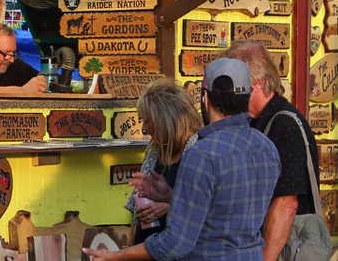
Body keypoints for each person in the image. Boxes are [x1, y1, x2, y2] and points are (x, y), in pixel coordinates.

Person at [87, 59, 278, 261]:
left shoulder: (202, 154)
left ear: (205, 98)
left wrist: (116, 256)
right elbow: (223, 211)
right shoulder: (267, 148)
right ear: (248, 96)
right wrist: (171, 196)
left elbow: (176, 242)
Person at [225, 41, 333, 261]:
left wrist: (265, 258)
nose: (229, 92)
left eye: (234, 83)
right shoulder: (255, 121)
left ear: (258, 84)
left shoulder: (285, 124)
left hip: (283, 248)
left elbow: (286, 204)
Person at [125, 80, 202, 245]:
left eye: (147, 120)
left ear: (165, 119)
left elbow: (206, 208)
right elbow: (136, 212)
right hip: (146, 247)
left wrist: (170, 206)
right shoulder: (155, 148)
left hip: (178, 250)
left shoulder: (199, 150)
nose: (144, 128)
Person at [0, 28, 45, 94]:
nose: (12, 60)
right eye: (6, 53)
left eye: (13, 53)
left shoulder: (17, 66)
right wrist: (22, 91)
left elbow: (41, 81)